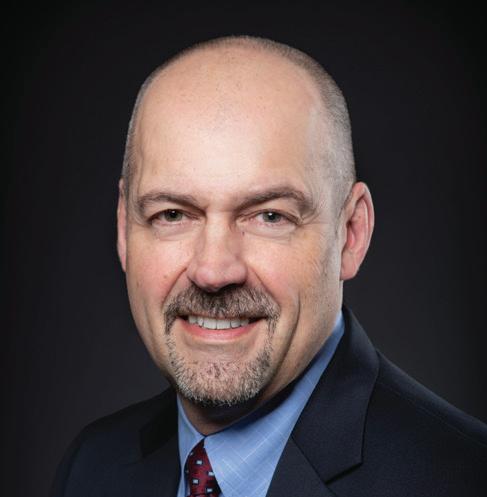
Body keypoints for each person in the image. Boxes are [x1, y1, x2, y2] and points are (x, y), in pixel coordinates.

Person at [51, 36, 487, 497]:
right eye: (173, 214)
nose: (213, 271)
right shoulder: (92, 467)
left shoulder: (464, 479)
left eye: (270, 216)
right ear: (124, 229)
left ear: (351, 233)